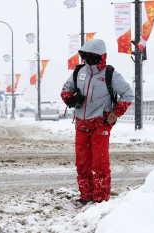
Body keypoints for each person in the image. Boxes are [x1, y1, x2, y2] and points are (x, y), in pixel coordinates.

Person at [61, 39, 134, 205]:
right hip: (81, 126)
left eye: (92, 55)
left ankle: (100, 199)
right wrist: (71, 100)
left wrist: (115, 114)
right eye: (85, 55)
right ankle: (86, 196)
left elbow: (128, 94)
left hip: (100, 124)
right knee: (82, 164)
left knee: (100, 164)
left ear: (101, 56)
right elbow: (65, 90)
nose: (88, 58)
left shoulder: (110, 74)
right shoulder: (79, 72)